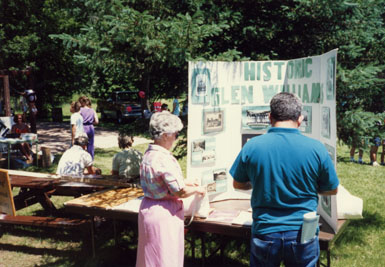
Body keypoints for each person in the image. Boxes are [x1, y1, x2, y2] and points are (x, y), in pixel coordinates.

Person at [229, 92, 339, 267]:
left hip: (265, 230)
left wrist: (259, 183)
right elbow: (332, 189)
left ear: (270, 117)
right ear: (300, 119)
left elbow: (238, 183)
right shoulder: (316, 148)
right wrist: (309, 187)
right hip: (303, 230)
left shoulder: (252, 146)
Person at [136, 111, 205, 267]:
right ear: (166, 135)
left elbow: (158, 180)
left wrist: (185, 181)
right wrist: (197, 189)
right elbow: (179, 191)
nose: (176, 137)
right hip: (164, 213)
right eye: (175, 133)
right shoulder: (164, 158)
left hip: (148, 209)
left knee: (150, 259)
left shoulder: (149, 154)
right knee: (166, 259)